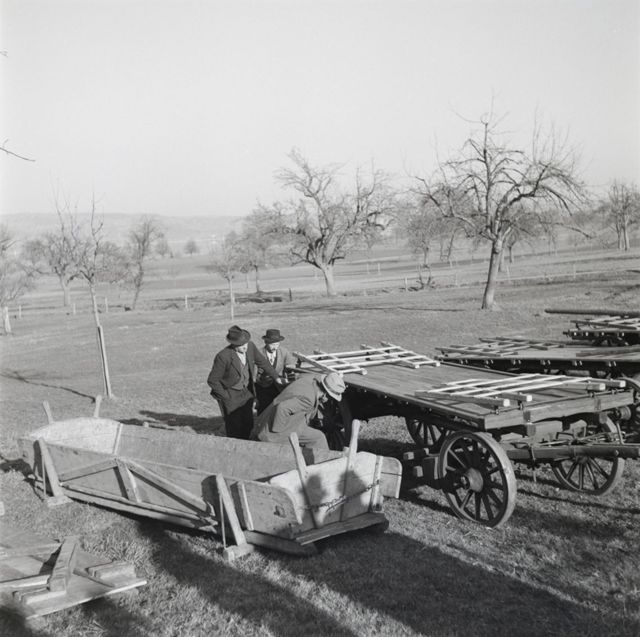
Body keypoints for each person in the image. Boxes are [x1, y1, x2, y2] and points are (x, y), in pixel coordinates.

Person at [207, 325, 282, 440]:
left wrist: (276, 377)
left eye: (245, 343)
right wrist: (225, 397)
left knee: (248, 422)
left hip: (247, 391)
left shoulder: (250, 346)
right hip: (230, 393)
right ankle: (235, 446)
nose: (244, 347)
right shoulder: (223, 356)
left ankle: (246, 442)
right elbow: (212, 380)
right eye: (240, 345)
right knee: (234, 426)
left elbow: (262, 362)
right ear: (233, 344)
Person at [251, 371, 346, 449]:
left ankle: (321, 462)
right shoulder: (309, 399)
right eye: (330, 397)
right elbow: (282, 408)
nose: (328, 400)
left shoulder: (308, 381)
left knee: (318, 438)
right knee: (290, 451)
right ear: (325, 394)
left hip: (291, 424)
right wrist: (279, 435)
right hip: (273, 430)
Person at [254, 328, 297, 415]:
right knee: (264, 410)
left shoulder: (284, 352)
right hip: (263, 388)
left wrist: (289, 378)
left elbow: (291, 366)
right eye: (272, 344)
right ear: (266, 342)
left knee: (278, 409)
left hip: (280, 387)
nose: (275, 347)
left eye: (277, 344)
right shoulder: (258, 354)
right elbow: (253, 375)